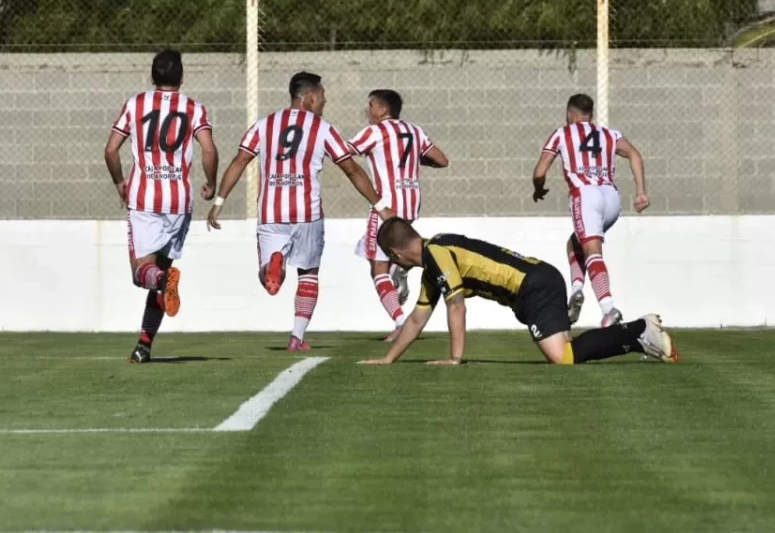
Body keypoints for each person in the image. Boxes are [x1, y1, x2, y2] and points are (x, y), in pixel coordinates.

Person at [207, 71, 393, 351]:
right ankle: (297, 337)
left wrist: (219, 201)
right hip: (308, 213)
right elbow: (352, 169)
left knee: (265, 275)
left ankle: (275, 263)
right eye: (322, 99)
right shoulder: (323, 128)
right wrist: (380, 206)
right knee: (308, 274)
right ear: (308, 98)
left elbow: (240, 160)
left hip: (271, 213)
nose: (323, 104)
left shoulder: (264, 124)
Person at [358, 218, 678, 366]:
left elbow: (456, 306)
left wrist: (455, 359)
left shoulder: (437, 255)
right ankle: (638, 335)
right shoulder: (434, 259)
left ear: (397, 254)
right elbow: (416, 319)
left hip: (534, 286)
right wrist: (388, 359)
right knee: (567, 350)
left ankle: (639, 330)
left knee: (562, 357)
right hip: (537, 281)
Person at [105, 49, 217, 364]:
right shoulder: (194, 108)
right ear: (180, 78)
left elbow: (111, 150)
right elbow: (208, 148)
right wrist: (211, 182)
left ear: (152, 76)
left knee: (143, 274)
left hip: (144, 199)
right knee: (160, 272)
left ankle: (162, 284)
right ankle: (143, 346)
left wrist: (119, 183)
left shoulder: (134, 104)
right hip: (179, 202)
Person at [532, 93, 649, 328]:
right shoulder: (609, 134)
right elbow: (635, 154)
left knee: (592, 251)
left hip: (586, 195)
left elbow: (540, 171)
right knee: (575, 243)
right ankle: (576, 289)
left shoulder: (562, 133)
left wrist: (538, 188)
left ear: (569, 114)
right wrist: (640, 192)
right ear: (591, 114)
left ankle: (609, 310)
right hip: (612, 199)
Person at [347, 89, 448, 341]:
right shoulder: (415, 131)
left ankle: (401, 322)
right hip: (411, 205)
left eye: (371, 105)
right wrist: (414, 160)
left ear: (383, 109)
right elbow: (442, 160)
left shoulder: (374, 132)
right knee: (392, 257)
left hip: (386, 207)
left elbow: (344, 152)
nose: (368, 110)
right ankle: (401, 268)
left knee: (377, 268)